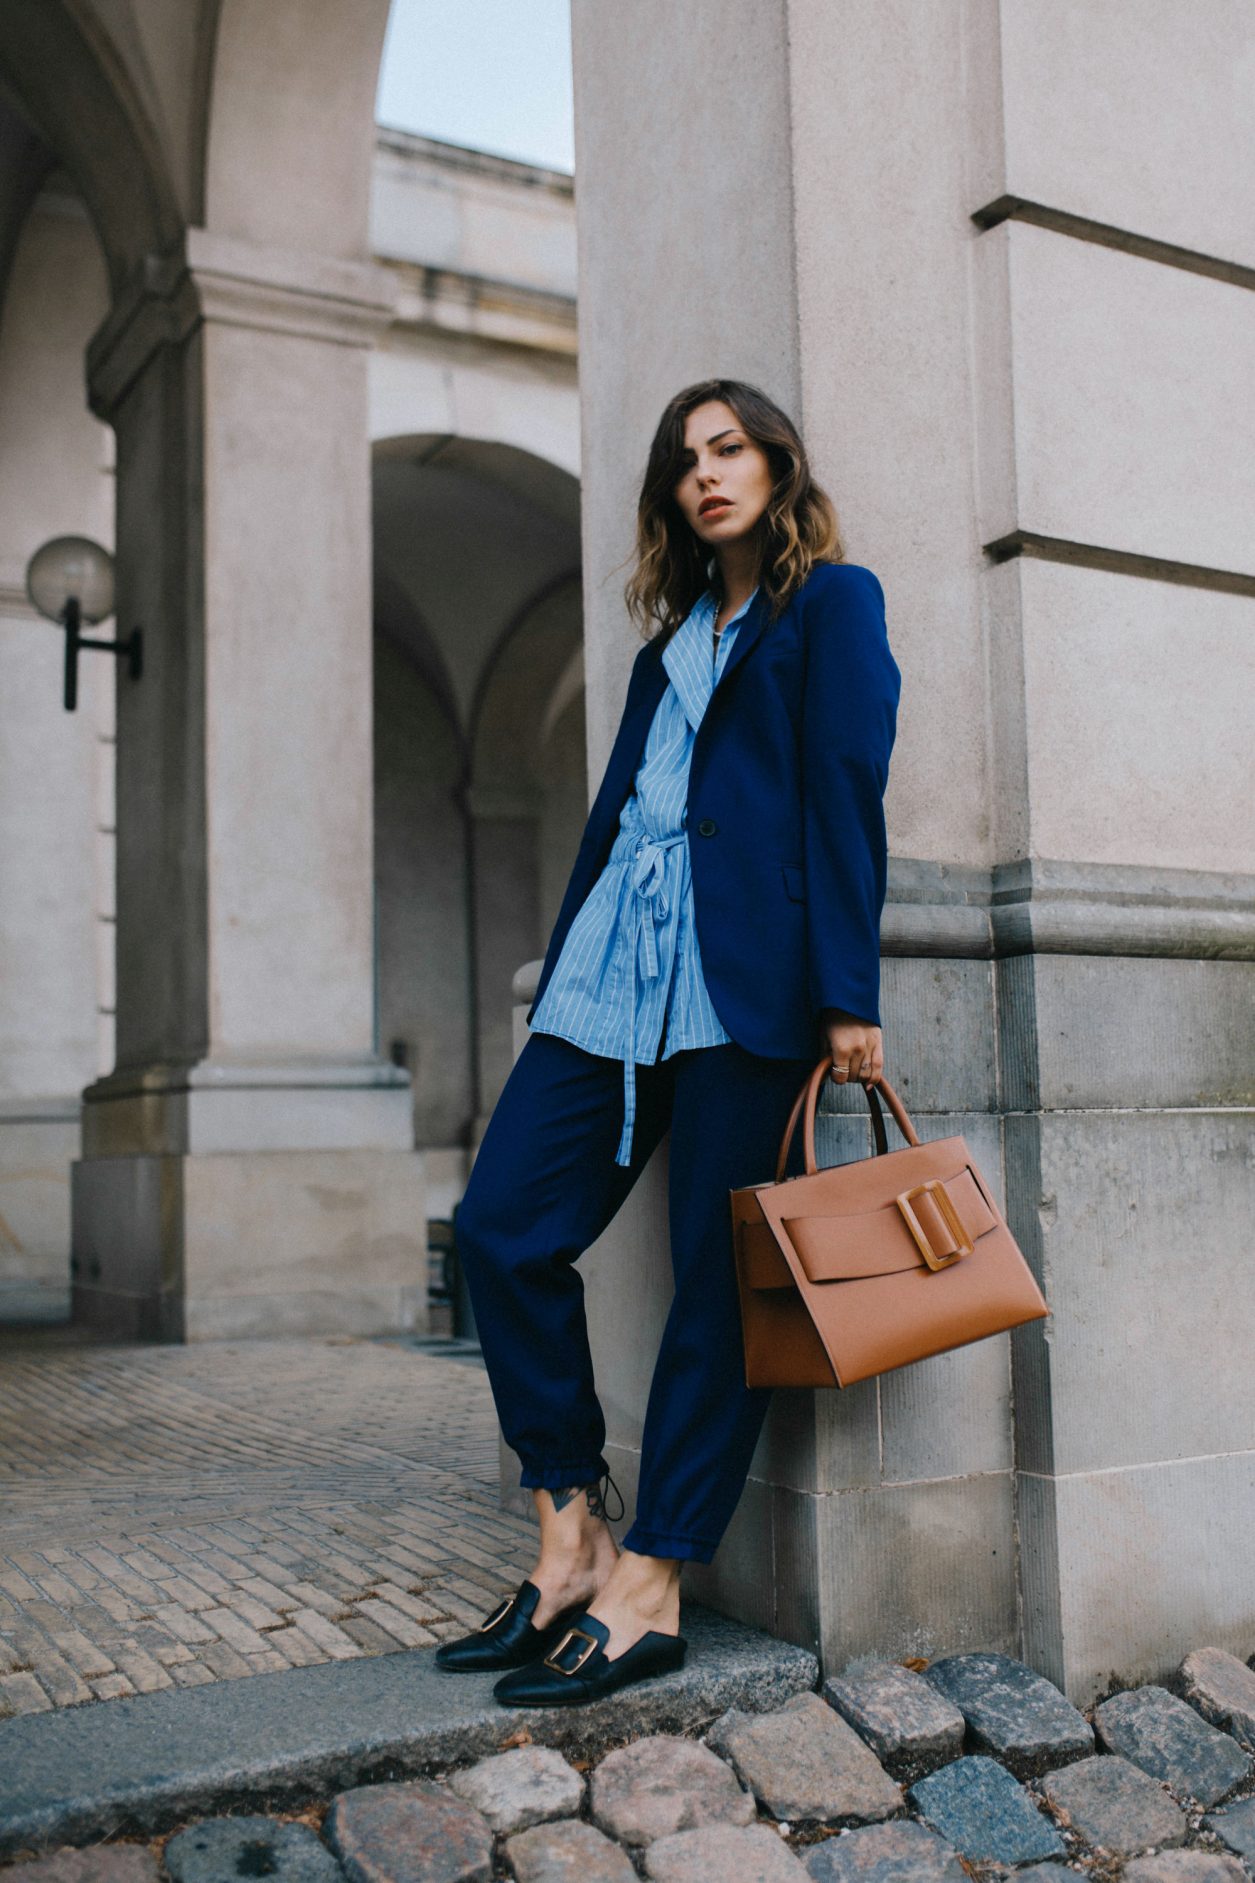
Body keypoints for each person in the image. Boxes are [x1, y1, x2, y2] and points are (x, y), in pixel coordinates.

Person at [437, 377, 901, 1707]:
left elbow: (845, 793)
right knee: (500, 1227)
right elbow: (620, 817)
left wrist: (846, 994)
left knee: (718, 1281)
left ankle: (652, 1582)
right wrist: (562, 963)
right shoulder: (666, 649)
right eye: (686, 459)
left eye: (730, 448)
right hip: (609, 979)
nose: (707, 473)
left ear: (776, 465)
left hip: (745, 983)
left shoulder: (832, 607)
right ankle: (569, 1535)